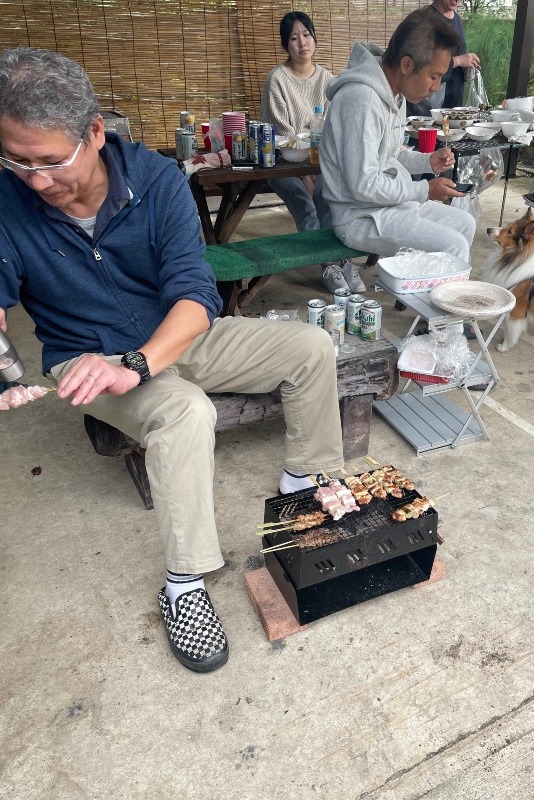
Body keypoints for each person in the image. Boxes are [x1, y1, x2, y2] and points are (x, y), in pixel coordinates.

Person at [0, 48, 344, 674]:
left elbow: (194, 292)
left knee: (311, 347)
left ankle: (303, 484)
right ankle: (183, 586)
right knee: (184, 411)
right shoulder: (6, 201)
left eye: (49, 162)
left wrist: (140, 359)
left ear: (95, 133)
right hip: (86, 358)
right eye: (16, 162)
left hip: (171, 335)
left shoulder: (155, 180)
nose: (35, 181)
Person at [319, 9, 476, 265]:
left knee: (464, 224)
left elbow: (391, 153)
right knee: (453, 245)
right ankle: (436, 300)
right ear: (406, 65)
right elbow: (363, 185)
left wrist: (427, 162)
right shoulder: (361, 100)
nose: (436, 87)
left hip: (389, 207)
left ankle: (426, 294)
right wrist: (424, 189)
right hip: (360, 217)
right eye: (433, 76)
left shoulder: (395, 94)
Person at [260, 11, 366, 295]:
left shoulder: (328, 81)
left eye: (306, 35)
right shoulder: (277, 80)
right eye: (294, 38)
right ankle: (327, 265)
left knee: (330, 201)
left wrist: (317, 172)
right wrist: (305, 174)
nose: (302, 43)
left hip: (321, 164)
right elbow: (284, 136)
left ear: (314, 39)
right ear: (286, 45)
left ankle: (343, 260)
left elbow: (335, 131)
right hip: (283, 166)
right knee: (307, 208)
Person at [407, 0, 481, 118]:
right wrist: (458, 61)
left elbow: (458, 55)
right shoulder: (425, 20)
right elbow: (420, 64)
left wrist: (467, 67)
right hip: (427, 108)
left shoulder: (457, 19)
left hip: (453, 103)